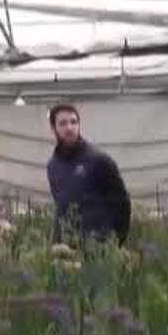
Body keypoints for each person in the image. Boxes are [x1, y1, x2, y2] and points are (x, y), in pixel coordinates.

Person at [46, 103, 131, 245]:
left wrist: (115, 242)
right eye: (63, 123)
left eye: (74, 122)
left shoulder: (99, 160)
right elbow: (61, 207)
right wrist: (57, 240)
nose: (69, 128)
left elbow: (122, 204)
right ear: (53, 129)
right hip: (68, 247)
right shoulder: (53, 166)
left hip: (98, 248)